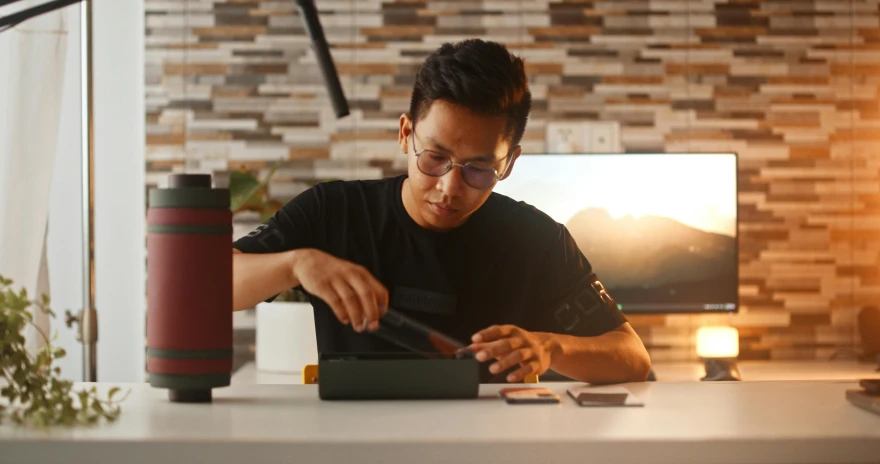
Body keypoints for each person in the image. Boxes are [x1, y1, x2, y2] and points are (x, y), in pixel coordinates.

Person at [232, 39, 651, 384]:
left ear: (509, 164)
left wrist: (549, 347)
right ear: (405, 134)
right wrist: (295, 264)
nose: (449, 188)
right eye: (434, 157)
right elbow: (207, 288)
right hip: (357, 441)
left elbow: (632, 355)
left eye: (480, 169)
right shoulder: (333, 211)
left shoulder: (538, 240)